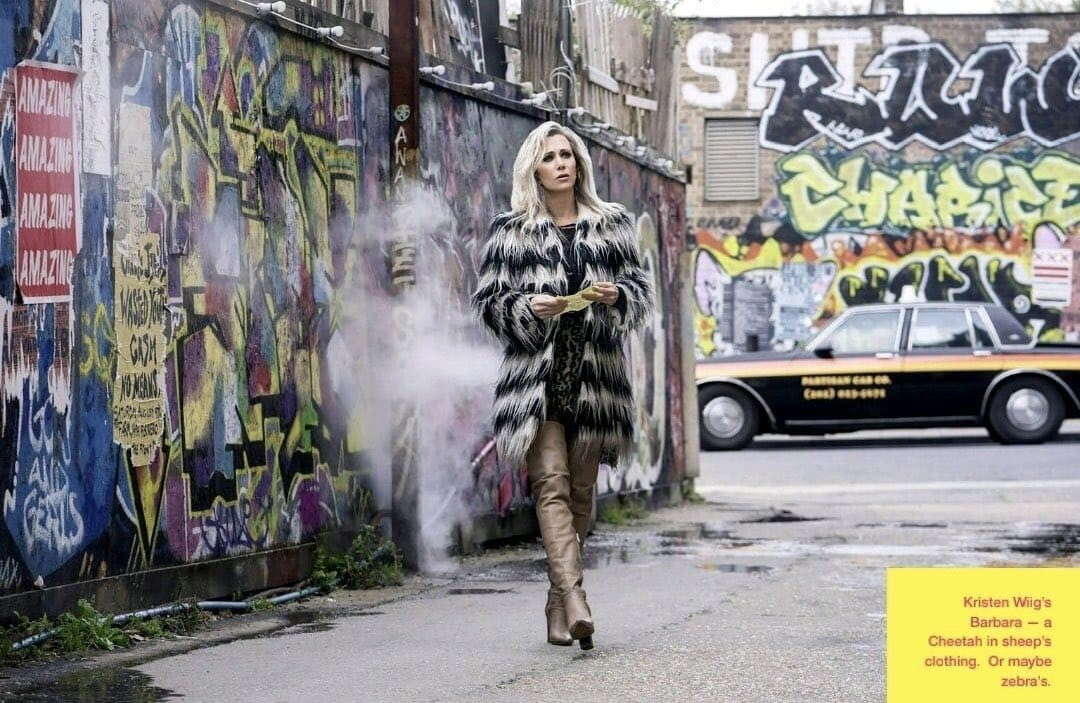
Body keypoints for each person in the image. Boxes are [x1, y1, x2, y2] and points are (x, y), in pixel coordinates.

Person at [471, 121, 653, 650]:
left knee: (580, 496)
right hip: (537, 385)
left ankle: (557, 601)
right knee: (550, 484)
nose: (560, 164)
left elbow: (639, 290)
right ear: (534, 169)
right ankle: (576, 600)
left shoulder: (611, 224)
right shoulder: (511, 231)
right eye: (549, 157)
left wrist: (616, 295)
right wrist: (527, 306)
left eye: (567, 155)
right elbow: (489, 303)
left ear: (579, 164)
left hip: (595, 382)